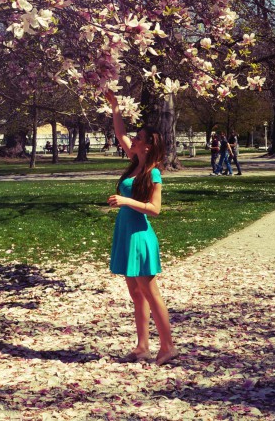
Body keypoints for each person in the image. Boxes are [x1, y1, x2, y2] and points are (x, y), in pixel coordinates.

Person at [104, 90, 177, 366]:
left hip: (140, 237)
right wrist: (115, 107)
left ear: (147, 145)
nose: (132, 140)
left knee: (150, 292)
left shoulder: (153, 172)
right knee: (135, 294)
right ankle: (142, 346)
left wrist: (126, 200)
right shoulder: (135, 163)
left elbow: (155, 210)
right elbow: (120, 131)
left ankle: (168, 346)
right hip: (126, 234)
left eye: (138, 138)